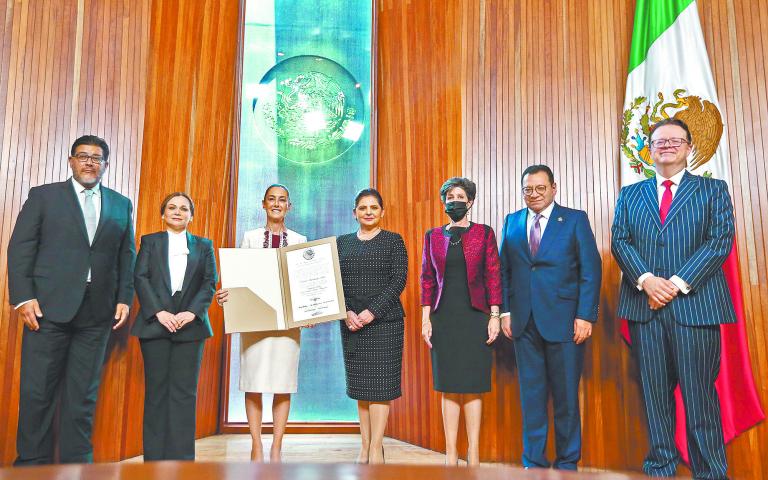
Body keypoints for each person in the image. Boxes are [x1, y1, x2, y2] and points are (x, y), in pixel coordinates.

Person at [611, 118, 735, 479]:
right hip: (645, 309)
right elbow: (620, 241)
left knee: (699, 401)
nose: (667, 145)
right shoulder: (631, 194)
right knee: (655, 400)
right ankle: (661, 470)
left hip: (696, 309)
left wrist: (676, 284)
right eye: (659, 141)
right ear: (649, 149)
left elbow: (719, 241)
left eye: (675, 140)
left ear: (689, 147)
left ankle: (710, 473)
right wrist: (647, 281)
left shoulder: (713, 190)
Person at [7, 135, 136, 464]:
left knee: (82, 398)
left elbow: (126, 256)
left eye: (97, 158)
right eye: (83, 156)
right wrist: (23, 298)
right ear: (71, 160)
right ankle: (30, 467)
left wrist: (124, 298)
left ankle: (78, 467)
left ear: (105, 165)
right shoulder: (44, 197)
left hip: (97, 313)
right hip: (46, 311)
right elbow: (20, 248)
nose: (90, 162)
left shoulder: (121, 204)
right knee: (38, 394)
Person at [498, 165, 602, 470]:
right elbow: (504, 271)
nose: (534, 195)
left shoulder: (574, 220)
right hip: (523, 322)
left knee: (566, 397)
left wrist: (585, 316)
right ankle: (534, 462)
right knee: (531, 398)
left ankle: (567, 463)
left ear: (553, 188)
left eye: (540, 188)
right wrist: (505, 311)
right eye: (528, 189)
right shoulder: (512, 221)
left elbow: (591, 270)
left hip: (566, 322)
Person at [216, 184, 306, 462]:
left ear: (289, 206)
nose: (277, 204)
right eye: (272, 199)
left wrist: (312, 311)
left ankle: (277, 446)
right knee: (253, 382)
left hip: (288, 325)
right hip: (255, 322)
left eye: (282, 200)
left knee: (283, 383)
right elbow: (239, 278)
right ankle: (256, 444)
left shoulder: (301, 239)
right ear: (263, 204)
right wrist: (227, 294)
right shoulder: (251, 237)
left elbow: (305, 282)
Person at [420, 177, 502, 466]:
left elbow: (493, 275)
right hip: (443, 317)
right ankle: (451, 452)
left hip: (476, 316)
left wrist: (494, 315)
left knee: (473, 384)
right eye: (450, 196)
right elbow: (427, 279)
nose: (454, 201)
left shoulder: (484, 233)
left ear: (470, 202)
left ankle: (474, 452)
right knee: (448, 384)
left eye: (460, 196)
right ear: (444, 202)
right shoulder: (433, 235)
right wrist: (425, 319)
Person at [131, 192, 217, 461]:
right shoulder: (150, 241)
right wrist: (158, 312)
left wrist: (193, 313)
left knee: (184, 395)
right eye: (171, 207)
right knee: (156, 393)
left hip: (191, 328)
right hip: (155, 326)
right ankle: (154, 460)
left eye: (183, 208)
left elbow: (209, 282)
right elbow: (140, 277)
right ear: (162, 214)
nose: (177, 212)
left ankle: (182, 462)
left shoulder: (204, 245)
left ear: (191, 215)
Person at [337, 188, 408, 465]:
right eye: (363, 207)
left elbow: (398, 280)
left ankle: (377, 448)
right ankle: (364, 447)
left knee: (380, 389)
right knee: (362, 390)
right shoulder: (342, 243)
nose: (368, 212)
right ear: (354, 212)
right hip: (351, 323)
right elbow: (335, 281)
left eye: (374, 207)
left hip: (384, 324)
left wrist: (371, 313)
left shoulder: (393, 241)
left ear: (382, 212)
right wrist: (345, 312)